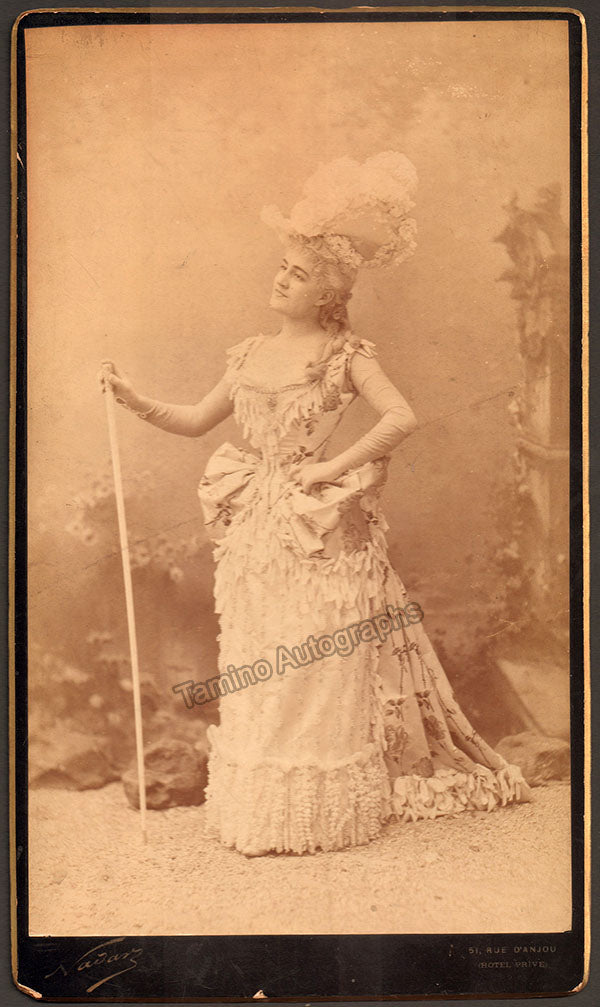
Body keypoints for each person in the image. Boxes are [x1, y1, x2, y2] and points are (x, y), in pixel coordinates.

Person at [100, 153, 531, 857]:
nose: (281, 278)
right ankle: (260, 808)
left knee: (315, 659)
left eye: (297, 274)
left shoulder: (345, 354)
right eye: (282, 266)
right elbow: (195, 418)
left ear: (327, 294)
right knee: (260, 650)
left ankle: (323, 811)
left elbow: (400, 417)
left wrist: (331, 466)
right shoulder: (247, 354)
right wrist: (131, 397)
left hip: (319, 525)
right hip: (256, 527)